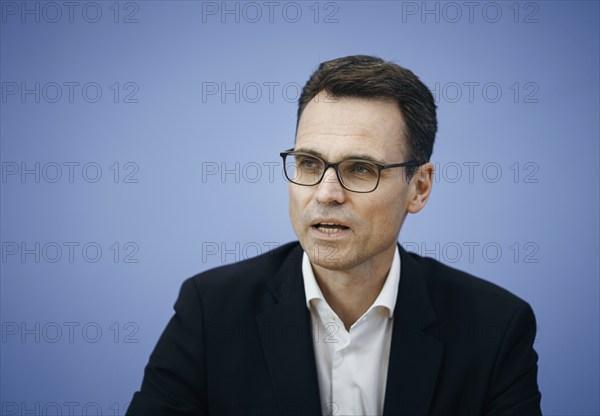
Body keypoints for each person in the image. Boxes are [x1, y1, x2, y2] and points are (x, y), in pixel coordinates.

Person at [126, 55, 542, 416]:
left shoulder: (495, 327)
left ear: (419, 188)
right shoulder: (211, 311)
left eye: (360, 168)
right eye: (309, 163)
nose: (326, 194)